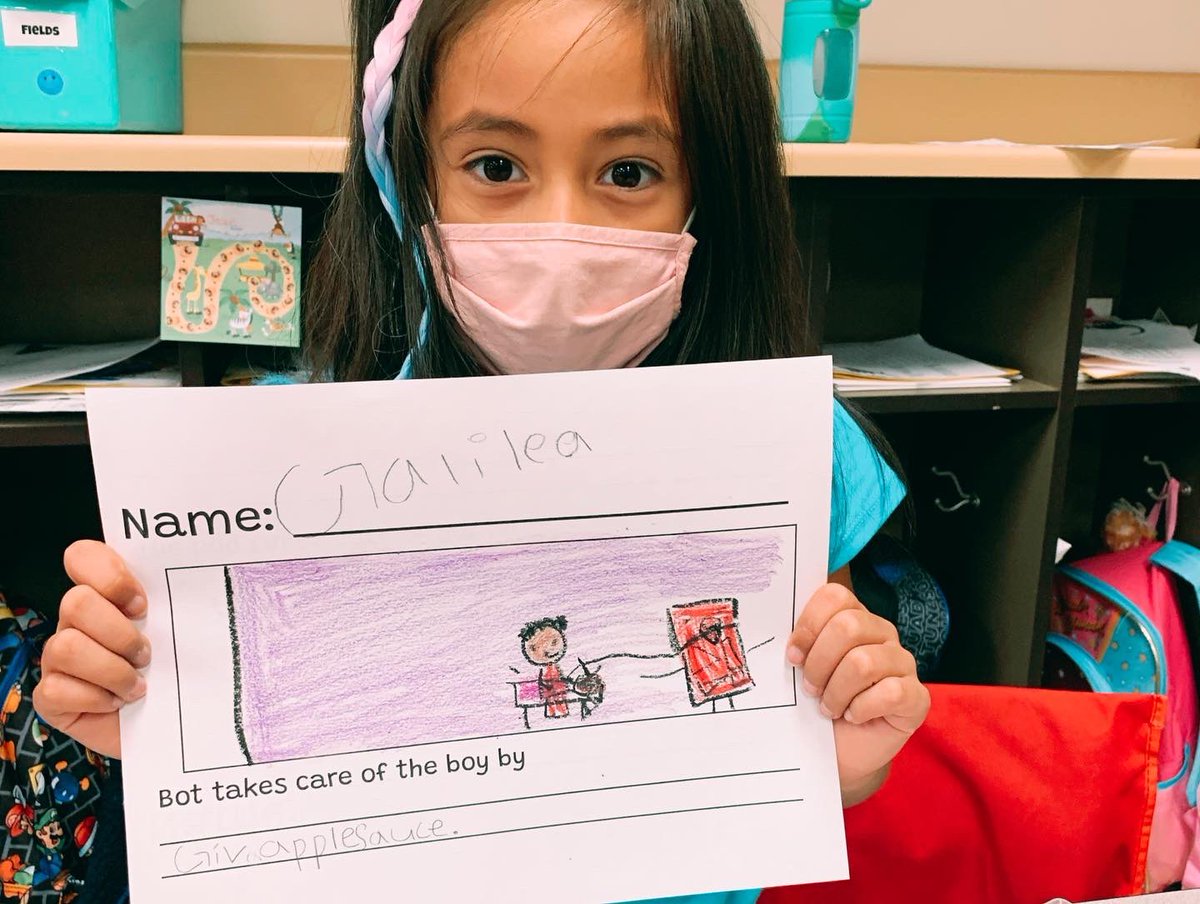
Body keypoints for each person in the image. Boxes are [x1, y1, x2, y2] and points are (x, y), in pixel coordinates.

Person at [33, 1, 931, 901]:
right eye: (495, 166)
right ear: (406, 173)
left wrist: (850, 756)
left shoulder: (794, 449)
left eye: (629, 170)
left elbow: (813, 752)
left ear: (710, 190)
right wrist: (141, 720)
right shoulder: (274, 464)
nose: (559, 230)